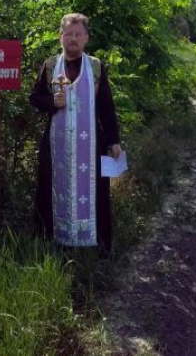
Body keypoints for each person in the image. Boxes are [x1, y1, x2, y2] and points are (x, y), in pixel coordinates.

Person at [29, 13, 122, 253]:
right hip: (56, 146)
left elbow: (106, 107)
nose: (73, 39)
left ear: (86, 37)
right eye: (68, 34)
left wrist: (113, 140)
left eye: (78, 34)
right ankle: (52, 241)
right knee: (50, 189)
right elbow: (35, 98)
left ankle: (96, 246)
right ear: (60, 36)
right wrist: (51, 102)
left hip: (90, 145)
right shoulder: (50, 66)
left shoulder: (96, 67)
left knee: (96, 192)